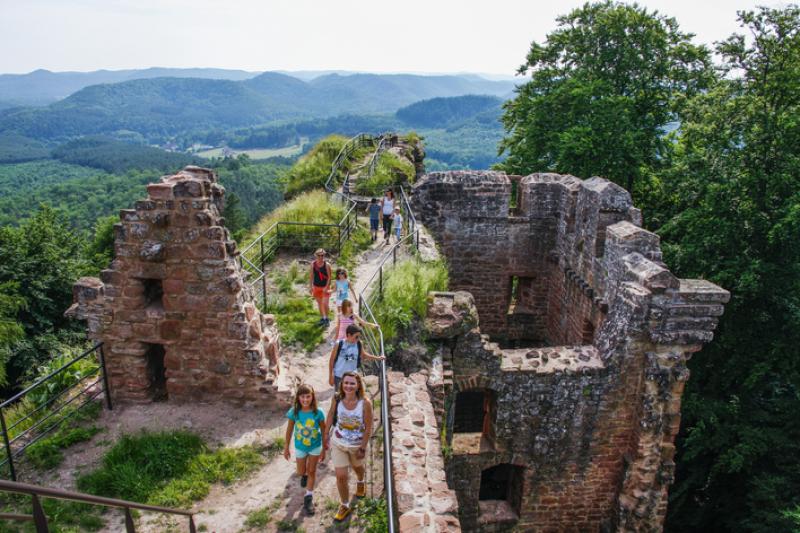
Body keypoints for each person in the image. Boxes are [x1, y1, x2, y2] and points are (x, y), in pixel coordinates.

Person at [325, 371, 373, 522]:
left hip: (357, 445)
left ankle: (360, 481)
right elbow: (331, 413)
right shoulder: (337, 398)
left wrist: (363, 447)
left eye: (352, 383)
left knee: (358, 468)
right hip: (338, 442)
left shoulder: (365, 403)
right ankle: (345, 504)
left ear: (358, 385)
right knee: (341, 476)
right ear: (342, 384)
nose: (348, 386)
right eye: (346, 382)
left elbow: (369, 426)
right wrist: (325, 435)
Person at [283, 384, 326, 516]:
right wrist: (286, 447)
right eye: (303, 397)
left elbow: (324, 430)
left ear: (312, 397)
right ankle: (304, 475)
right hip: (300, 447)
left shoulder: (318, 413)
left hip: (315, 446)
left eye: (308, 396)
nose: (305, 400)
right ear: (298, 397)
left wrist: (324, 448)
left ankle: (308, 497)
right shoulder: (294, 412)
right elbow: (289, 430)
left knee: (312, 470)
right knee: (301, 471)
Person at [328, 325, 385, 390]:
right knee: (339, 396)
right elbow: (331, 360)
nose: (358, 339)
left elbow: (364, 355)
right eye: (356, 337)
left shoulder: (358, 343)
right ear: (349, 335)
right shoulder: (339, 344)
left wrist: (378, 358)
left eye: (359, 337)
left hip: (353, 376)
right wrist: (330, 376)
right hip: (339, 376)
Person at [309, 249, 333, 326]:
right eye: (319, 255)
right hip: (316, 286)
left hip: (325, 287)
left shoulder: (327, 265)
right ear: (316, 255)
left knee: (325, 304)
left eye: (322, 255)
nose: (321, 257)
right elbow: (311, 276)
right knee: (319, 304)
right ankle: (323, 318)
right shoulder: (313, 264)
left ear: (324, 256)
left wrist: (326, 287)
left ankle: (327, 319)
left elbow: (329, 277)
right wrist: (310, 286)